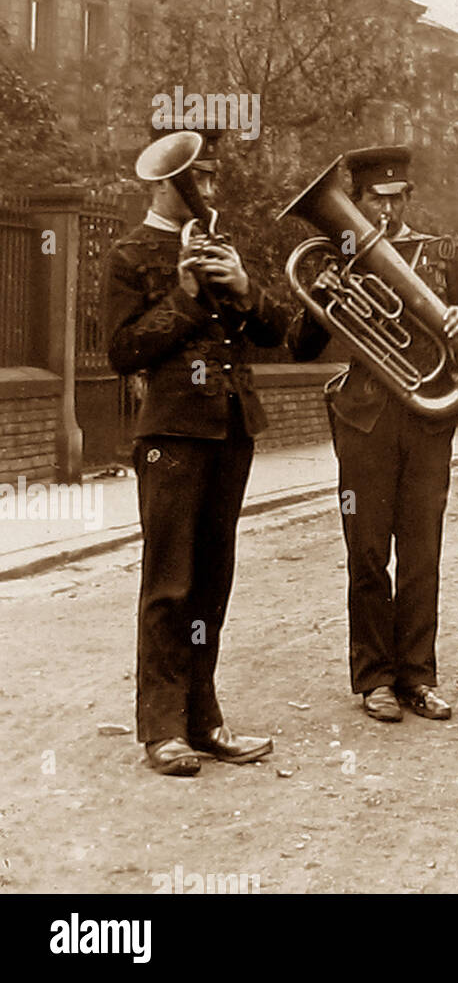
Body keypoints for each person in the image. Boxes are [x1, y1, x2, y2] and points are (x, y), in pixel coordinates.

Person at [288, 146, 458, 724]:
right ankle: (374, 678)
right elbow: (300, 347)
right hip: (364, 420)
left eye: (395, 197)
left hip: (428, 419)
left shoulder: (439, 253)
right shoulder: (336, 256)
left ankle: (418, 676)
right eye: (374, 198)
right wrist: (324, 298)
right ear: (355, 202)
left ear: (408, 198)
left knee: (422, 552)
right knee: (368, 552)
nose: (385, 208)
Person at [105, 128, 288, 776]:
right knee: (170, 583)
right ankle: (162, 728)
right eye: (196, 177)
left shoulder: (223, 247)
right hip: (173, 433)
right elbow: (122, 350)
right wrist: (183, 297)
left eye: (210, 177)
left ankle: (204, 718)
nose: (207, 189)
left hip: (231, 425)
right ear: (162, 181)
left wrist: (242, 286)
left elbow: (278, 331)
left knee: (213, 583)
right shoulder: (130, 253)